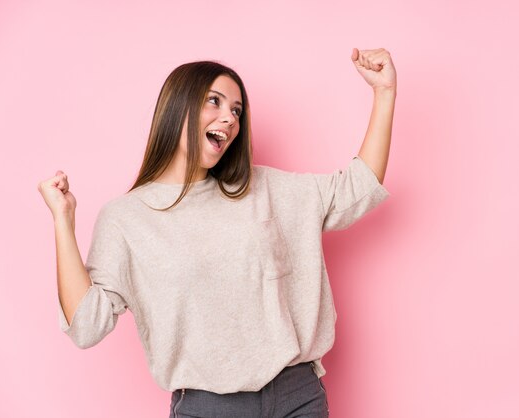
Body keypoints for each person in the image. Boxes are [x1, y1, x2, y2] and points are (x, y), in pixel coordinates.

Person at [38, 47, 396, 418]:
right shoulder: (128, 218)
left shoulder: (263, 188)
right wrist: (63, 220)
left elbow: (358, 188)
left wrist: (384, 93)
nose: (229, 118)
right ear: (177, 108)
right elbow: (86, 326)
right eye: (215, 102)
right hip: (208, 407)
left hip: (297, 397)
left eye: (237, 111)